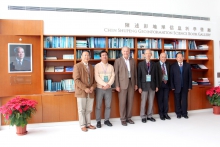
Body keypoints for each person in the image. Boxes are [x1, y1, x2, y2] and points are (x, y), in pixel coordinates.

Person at [73, 50, 97, 132]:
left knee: (88, 109)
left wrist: (93, 87)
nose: (87, 57)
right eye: (85, 55)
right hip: (81, 92)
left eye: (88, 55)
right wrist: (85, 88)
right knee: (81, 110)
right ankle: (83, 125)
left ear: (89, 57)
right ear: (81, 57)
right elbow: (76, 80)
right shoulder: (77, 66)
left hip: (90, 92)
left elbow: (94, 80)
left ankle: (88, 124)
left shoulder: (91, 67)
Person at [114, 46, 138, 126]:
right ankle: (123, 119)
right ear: (122, 52)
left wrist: (136, 84)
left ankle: (129, 118)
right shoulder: (118, 61)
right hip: (122, 84)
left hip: (131, 83)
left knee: (130, 102)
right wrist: (117, 85)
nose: (126, 52)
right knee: (122, 102)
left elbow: (135, 74)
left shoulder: (132, 61)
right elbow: (116, 74)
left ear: (129, 52)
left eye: (127, 51)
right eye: (124, 51)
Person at [95, 50, 115, 128]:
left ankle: (106, 120)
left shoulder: (111, 66)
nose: (104, 56)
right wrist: (104, 84)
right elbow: (96, 77)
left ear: (107, 56)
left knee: (108, 105)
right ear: (100, 57)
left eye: (106, 55)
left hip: (108, 89)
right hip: (100, 88)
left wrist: (108, 85)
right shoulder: (97, 66)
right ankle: (98, 121)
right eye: (103, 55)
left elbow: (113, 76)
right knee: (98, 106)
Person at [138, 49, 158, 123]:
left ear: (151, 55)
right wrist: (139, 87)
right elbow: (139, 77)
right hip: (143, 86)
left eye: (149, 53)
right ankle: (143, 116)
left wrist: (156, 86)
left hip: (152, 85)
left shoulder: (154, 64)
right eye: (146, 53)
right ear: (144, 55)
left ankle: (149, 116)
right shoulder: (140, 64)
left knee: (151, 102)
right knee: (143, 102)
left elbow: (156, 76)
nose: (148, 55)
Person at [170, 52, 192, 119]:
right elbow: (171, 77)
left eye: (181, 57)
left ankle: (185, 113)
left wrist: (189, 86)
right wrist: (172, 86)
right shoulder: (173, 66)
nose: (180, 58)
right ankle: (178, 113)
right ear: (176, 58)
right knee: (177, 100)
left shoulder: (187, 65)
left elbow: (190, 77)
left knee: (184, 100)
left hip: (185, 86)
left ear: (183, 58)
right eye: (178, 57)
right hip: (176, 87)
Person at [156, 52, 171, 120]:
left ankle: (165, 113)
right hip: (159, 84)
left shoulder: (168, 64)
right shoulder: (156, 64)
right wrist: (156, 86)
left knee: (166, 99)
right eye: (162, 57)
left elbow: (170, 75)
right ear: (159, 57)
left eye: (165, 57)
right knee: (160, 100)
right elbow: (154, 76)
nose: (164, 58)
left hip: (166, 84)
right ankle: (161, 113)